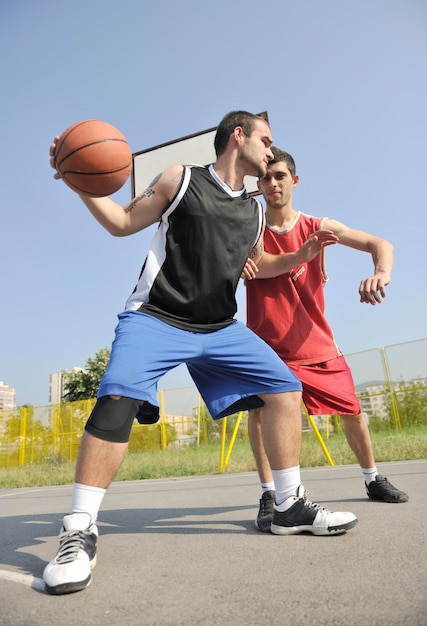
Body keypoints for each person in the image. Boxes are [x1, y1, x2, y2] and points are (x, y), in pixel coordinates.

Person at [43, 112, 357, 595]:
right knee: (117, 397)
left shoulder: (254, 211)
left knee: (284, 387)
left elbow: (258, 264)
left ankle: (288, 506)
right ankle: (79, 528)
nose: (272, 150)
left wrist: (304, 252)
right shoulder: (181, 178)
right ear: (239, 136)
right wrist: (77, 181)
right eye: (266, 140)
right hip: (157, 316)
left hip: (218, 326)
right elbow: (123, 222)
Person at [244, 146, 408, 533]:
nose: (272, 183)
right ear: (258, 185)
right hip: (267, 344)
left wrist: (381, 273)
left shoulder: (318, 226)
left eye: (280, 176)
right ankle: (270, 493)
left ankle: (372, 478)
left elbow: (381, 244)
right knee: (260, 413)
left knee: (353, 410)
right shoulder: (249, 230)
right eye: (266, 178)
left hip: (314, 342)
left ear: (294, 181)